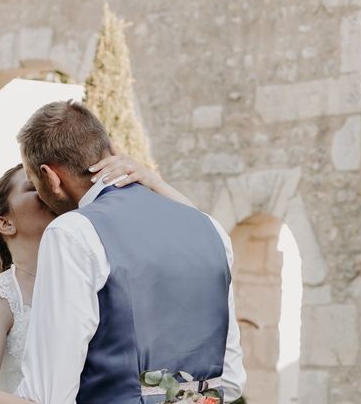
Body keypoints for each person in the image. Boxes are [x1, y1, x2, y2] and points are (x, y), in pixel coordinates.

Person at [14, 101, 246, 404]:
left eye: (34, 182)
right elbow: (230, 380)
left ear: (51, 177)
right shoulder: (210, 230)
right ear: (109, 148)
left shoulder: (73, 233)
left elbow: (49, 393)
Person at [0, 149, 194, 404]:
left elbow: (198, 233)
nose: (48, 189)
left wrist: (152, 181)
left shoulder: (97, 275)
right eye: (33, 187)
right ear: (6, 223)